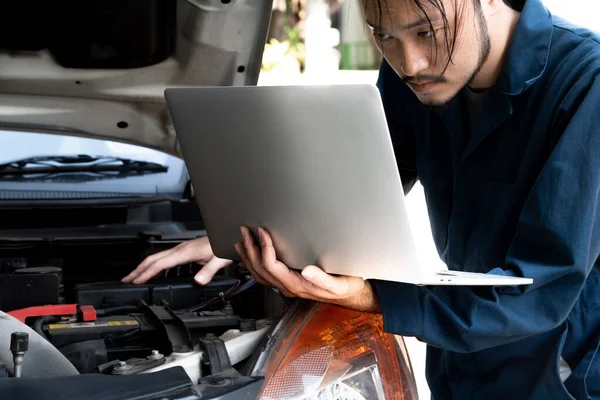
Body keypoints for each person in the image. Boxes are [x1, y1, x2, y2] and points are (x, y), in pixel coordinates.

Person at [123, 0, 600, 398]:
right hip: (459, 362)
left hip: (560, 370)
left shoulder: (586, 85)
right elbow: (353, 187)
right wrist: (248, 225)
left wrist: (370, 297)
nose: (409, 62)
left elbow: (541, 289)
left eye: (426, 32)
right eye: (383, 35)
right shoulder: (417, 76)